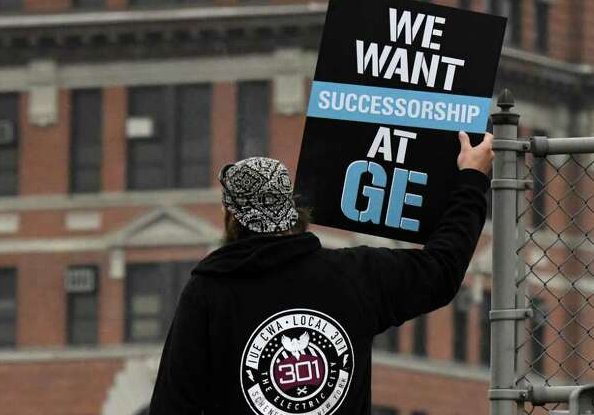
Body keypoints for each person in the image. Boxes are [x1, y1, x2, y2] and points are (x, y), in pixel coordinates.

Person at [149, 130, 494, 414]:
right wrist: (471, 180)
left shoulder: (209, 290)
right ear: (292, 209)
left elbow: (173, 404)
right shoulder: (353, 275)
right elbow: (441, 270)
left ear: (232, 219)